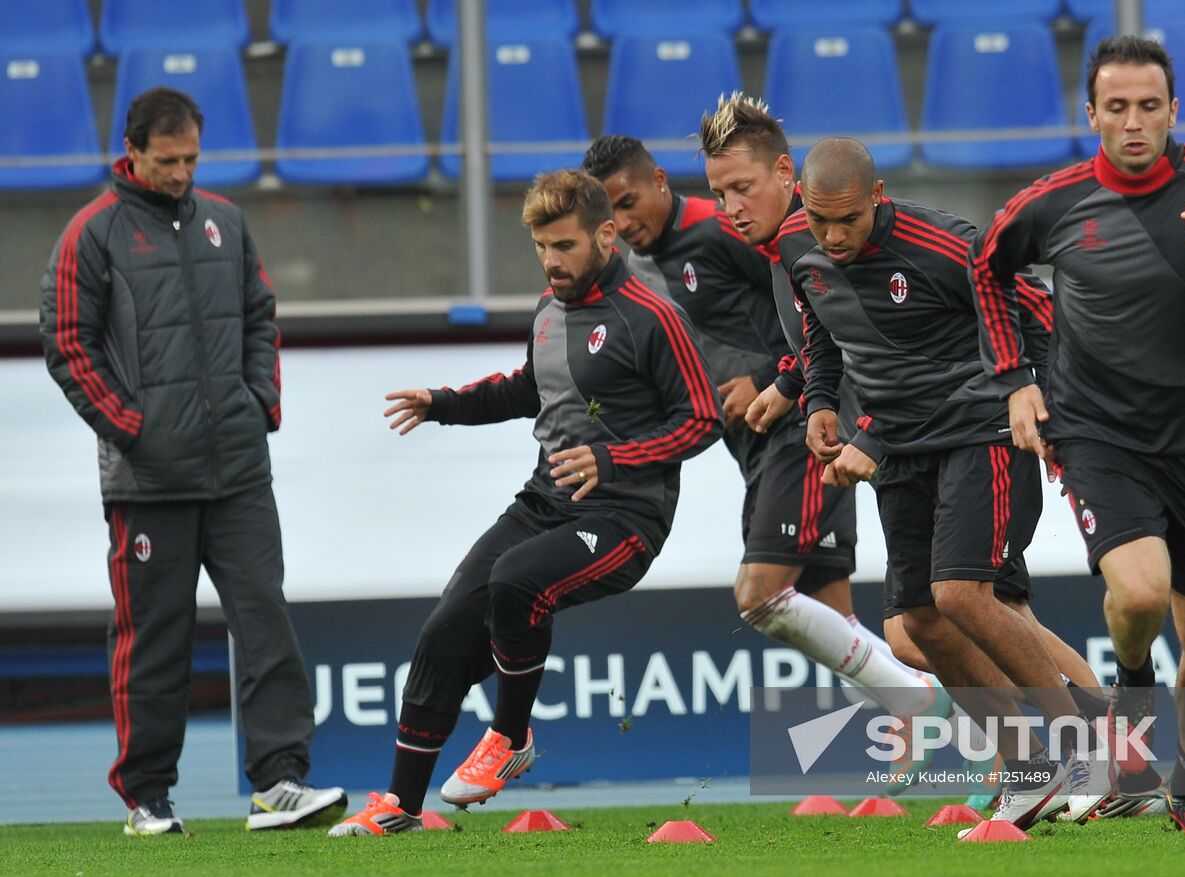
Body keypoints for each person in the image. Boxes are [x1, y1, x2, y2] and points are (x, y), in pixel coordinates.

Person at [969, 36, 1185, 845]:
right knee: (1143, 592)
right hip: (1097, 433)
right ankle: (1131, 683)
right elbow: (984, 267)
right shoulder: (1053, 201)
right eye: (1115, 107)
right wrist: (1015, 376)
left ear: (1173, 110)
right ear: (1091, 114)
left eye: (1148, 106)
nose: (1133, 122)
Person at [329, 170, 722, 836]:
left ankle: (510, 736)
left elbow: (704, 420)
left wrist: (611, 458)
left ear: (605, 234)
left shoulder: (653, 316)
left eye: (564, 245)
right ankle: (398, 806)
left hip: (625, 517)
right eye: (541, 246)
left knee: (515, 581)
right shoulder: (549, 307)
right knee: (446, 629)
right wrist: (444, 404)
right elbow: (527, 390)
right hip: (546, 499)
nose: (552, 260)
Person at [779, 137, 1113, 828]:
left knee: (964, 592)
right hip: (900, 444)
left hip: (979, 428)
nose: (833, 237)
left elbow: (1041, 310)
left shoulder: (949, 244)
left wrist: (1040, 403)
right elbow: (822, 330)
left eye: (848, 220)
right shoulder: (796, 250)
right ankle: (1028, 766)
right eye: (820, 221)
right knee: (919, 622)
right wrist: (817, 399)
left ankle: (1094, 754)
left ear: (879, 197)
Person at [39, 88, 346, 836]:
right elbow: (67, 345)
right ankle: (147, 796)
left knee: (266, 621)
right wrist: (132, 429)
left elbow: (259, 316)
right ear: (134, 151)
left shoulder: (226, 223)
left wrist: (260, 403)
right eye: (168, 159)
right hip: (150, 478)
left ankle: (279, 784)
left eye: (192, 159)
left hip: (238, 468)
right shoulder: (91, 233)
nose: (182, 172)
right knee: (154, 638)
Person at [580, 135, 932, 728]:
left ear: (659, 182)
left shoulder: (724, 234)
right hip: (757, 445)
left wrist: (765, 378)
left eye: (628, 200)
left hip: (803, 427)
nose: (622, 220)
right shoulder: (631, 267)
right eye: (608, 211)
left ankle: (919, 698)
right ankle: (914, 730)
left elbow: (820, 317)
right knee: (830, 610)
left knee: (762, 593)